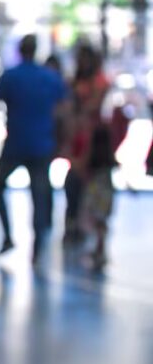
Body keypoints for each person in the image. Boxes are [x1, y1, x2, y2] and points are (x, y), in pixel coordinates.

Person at [0, 34, 68, 262]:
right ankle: (37, 245)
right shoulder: (49, 78)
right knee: (39, 196)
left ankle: (8, 236)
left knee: (0, 187)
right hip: (40, 145)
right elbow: (65, 111)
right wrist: (62, 141)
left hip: (17, 144)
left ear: (21, 50)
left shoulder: (11, 77)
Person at [63, 43, 110, 245]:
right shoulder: (74, 82)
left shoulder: (100, 82)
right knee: (72, 184)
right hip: (78, 138)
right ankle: (72, 224)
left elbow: (94, 106)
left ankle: (94, 234)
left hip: (95, 144)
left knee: (96, 190)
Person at [82, 124, 116, 269]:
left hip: (95, 194)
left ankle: (97, 249)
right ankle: (99, 248)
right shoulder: (108, 157)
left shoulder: (92, 156)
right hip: (105, 194)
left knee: (95, 222)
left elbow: (85, 170)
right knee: (101, 223)